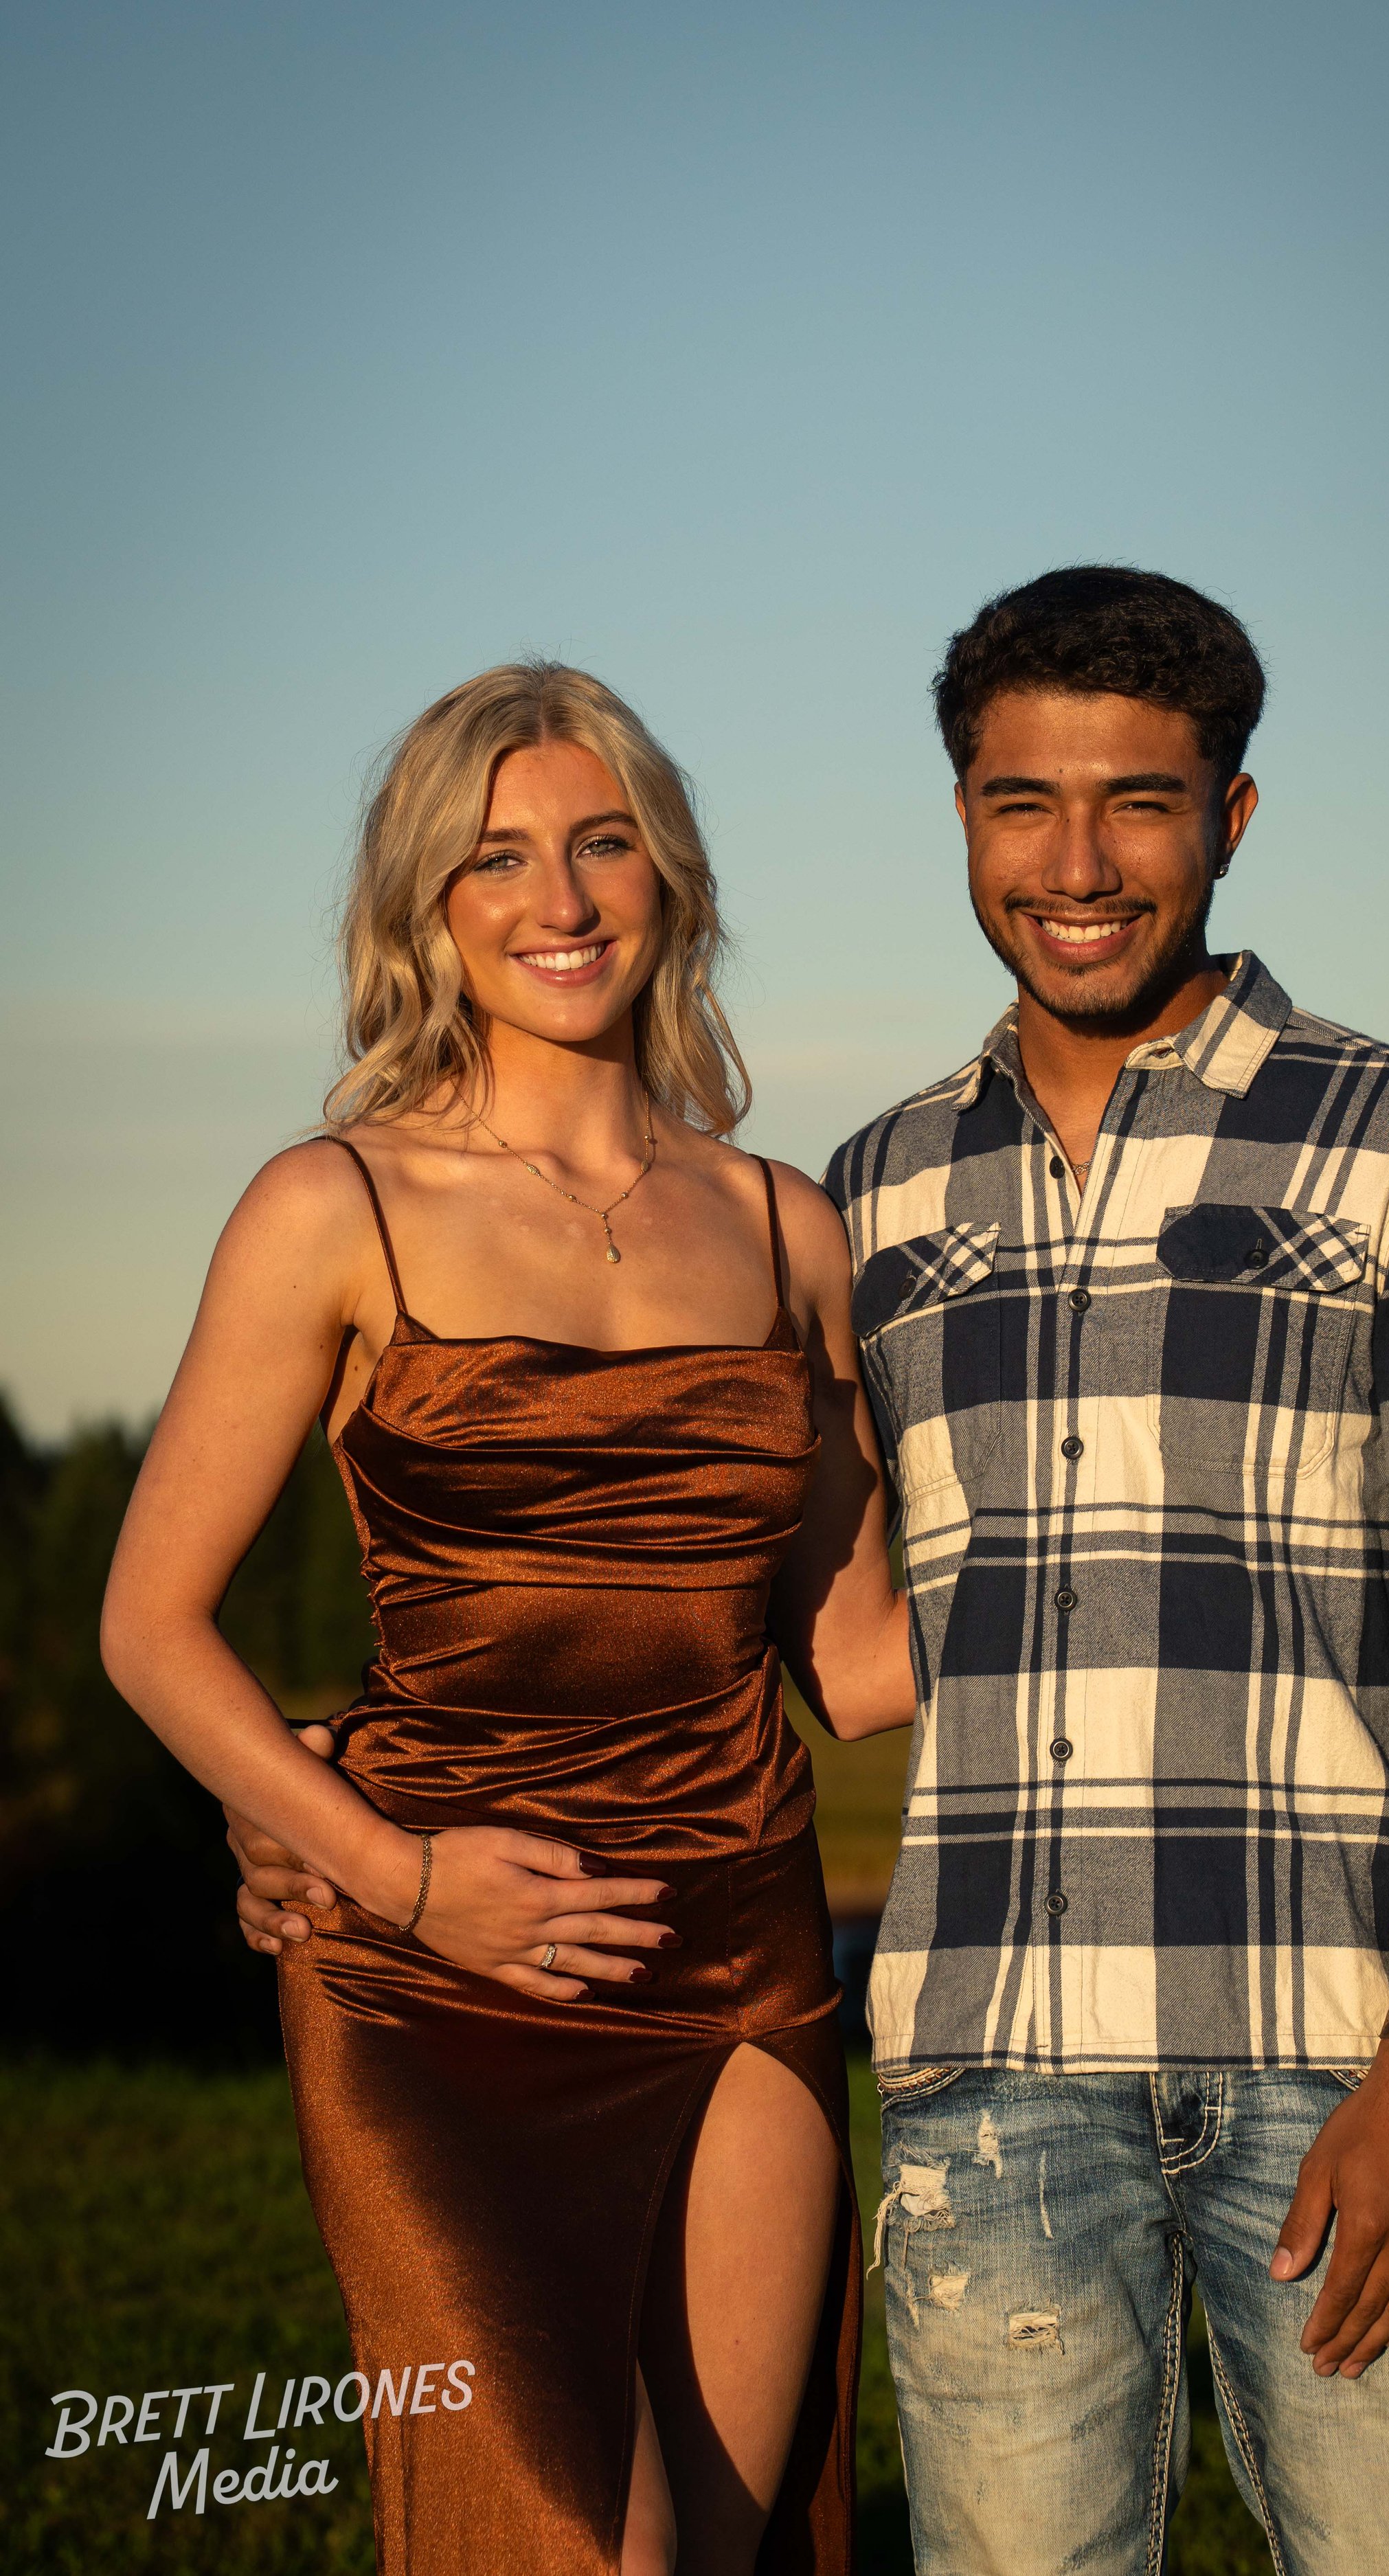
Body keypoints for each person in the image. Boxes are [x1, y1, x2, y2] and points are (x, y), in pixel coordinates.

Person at [100, 662, 915, 2576]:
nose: (559, 900)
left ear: (671, 880)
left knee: (717, 2553)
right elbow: (150, 1625)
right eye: (495, 860)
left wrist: (1138, 1526)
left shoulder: (791, 1230)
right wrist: (387, 1878)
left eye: (601, 842)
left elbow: (863, 1667)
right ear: (425, 916)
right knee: (577, 2547)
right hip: (429, 1980)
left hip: (740, 1961)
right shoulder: (332, 1207)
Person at [819, 569, 1389, 2575]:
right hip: (985, 2069)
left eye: (1136, 804)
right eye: (1018, 805)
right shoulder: (873, 1188)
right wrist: (376, 1792)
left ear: (1228, 819)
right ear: (962, 813)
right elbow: (799, 1631)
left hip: (1323, 2053)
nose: (1075, 866)